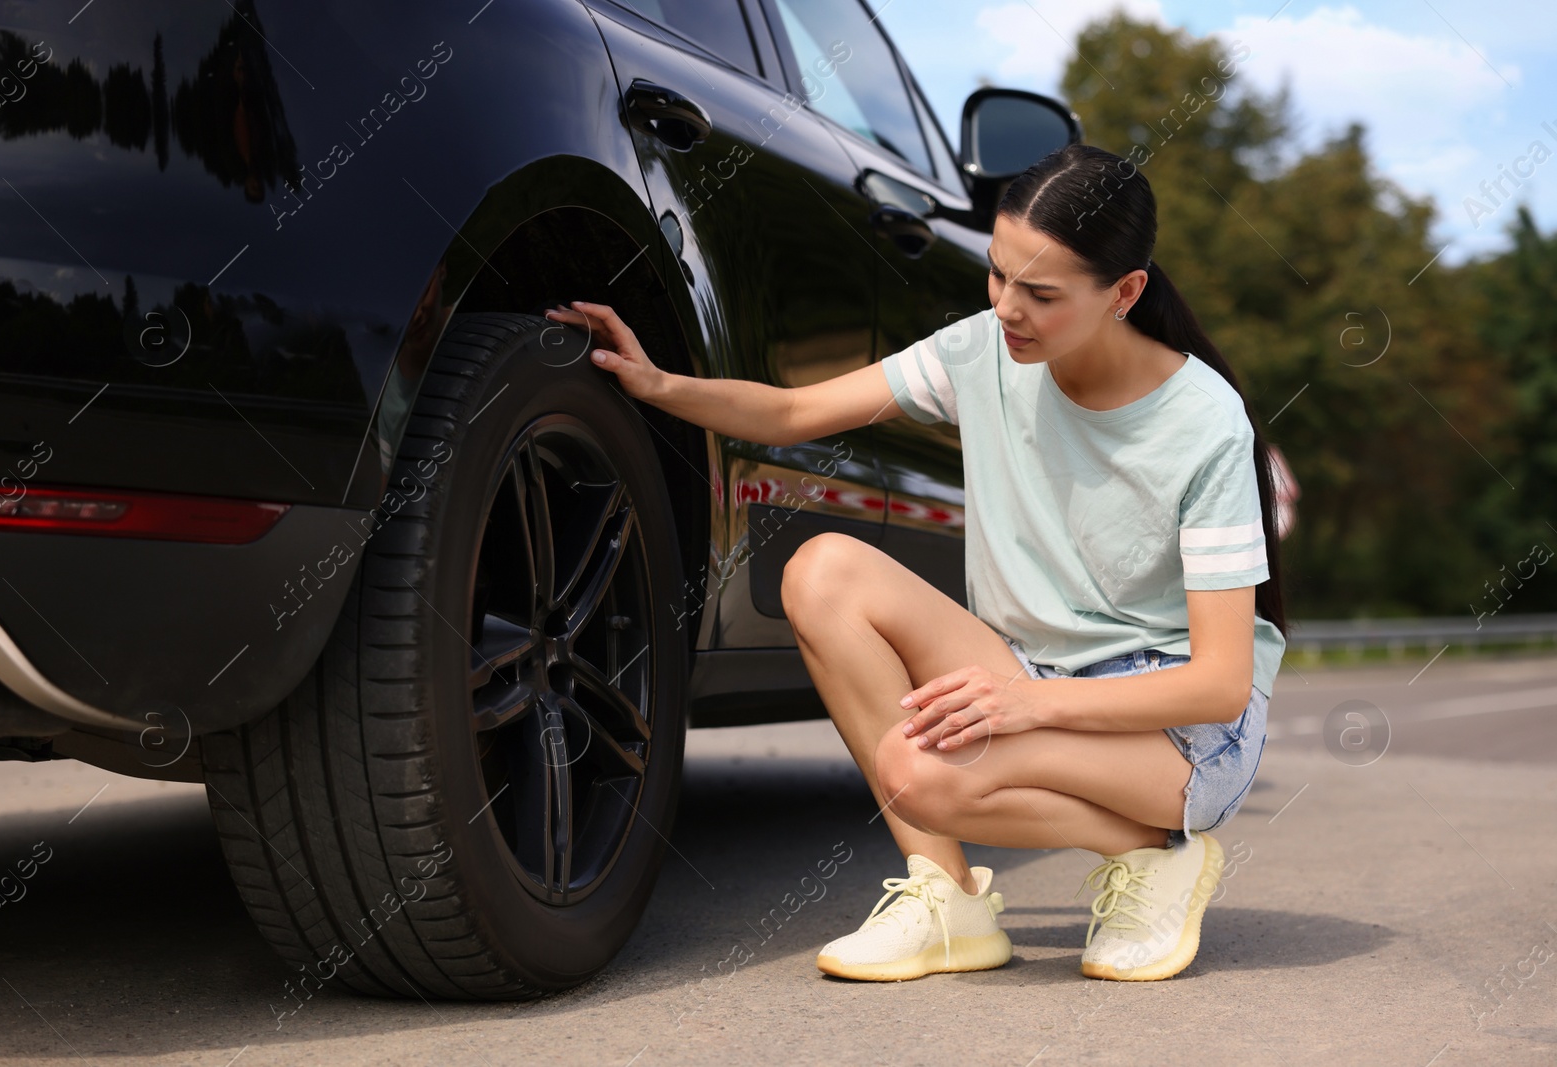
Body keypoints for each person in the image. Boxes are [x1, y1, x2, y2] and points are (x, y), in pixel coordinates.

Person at [543, 142, 1286, 984]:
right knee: (820, 569)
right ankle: (953, 900)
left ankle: (1160, 849)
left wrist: (1027, 704)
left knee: (917, 769)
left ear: (1125, 293)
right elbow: (794, 411)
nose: (1008, 307)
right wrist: (659, 385)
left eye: (1041, 294)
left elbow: (1221, 683)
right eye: (999, 275)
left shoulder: (1204, 422)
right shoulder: (985, 351)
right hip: (1032, 673)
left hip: (1177, 727)